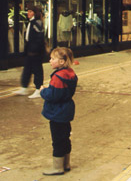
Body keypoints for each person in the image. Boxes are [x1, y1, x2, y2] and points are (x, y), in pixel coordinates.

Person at [40, 47, 78, 175]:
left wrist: (43, 91)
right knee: (65, 137)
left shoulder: (58, 77)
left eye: (52, 58)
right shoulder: (71, 73)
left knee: (57, 139)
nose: (50, 61)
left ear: (62, 61)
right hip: (67, 110)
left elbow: (53, 96)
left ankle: (57, 167)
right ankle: (66, 164)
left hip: (57, 112)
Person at [13, 5, 46, 98]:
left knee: (37, 71)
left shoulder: (37, 23)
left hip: (36, 53)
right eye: (28, 11)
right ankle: (24, 87)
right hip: (30, 52)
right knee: (27, 70)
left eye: (31, 11)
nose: (28, 13)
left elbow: (39, 38)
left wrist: (35, 50)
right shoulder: (31, 23)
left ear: (36, 13)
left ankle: (39, 89)